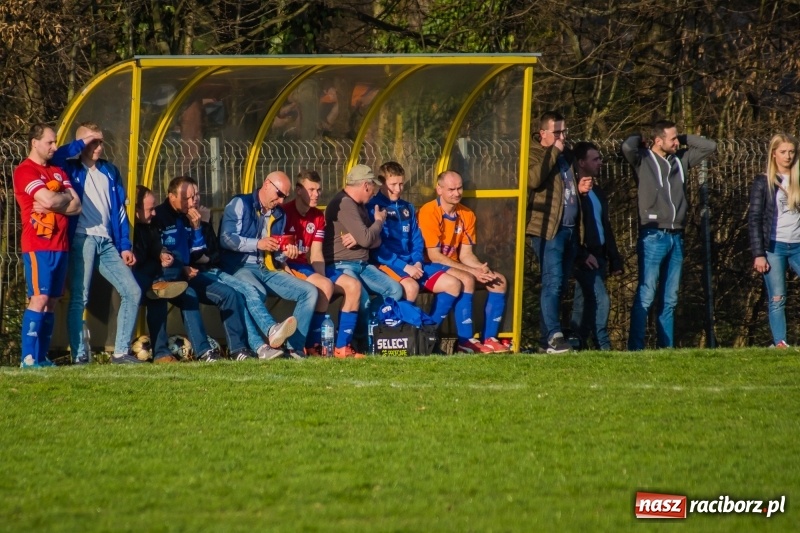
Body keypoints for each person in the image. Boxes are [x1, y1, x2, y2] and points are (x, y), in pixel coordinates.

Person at [52, 122, 156, 364]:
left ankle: (120, 352)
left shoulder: (109, 171)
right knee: (81, 297)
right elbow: (56, 156)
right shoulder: (70, 168)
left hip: (107, 242)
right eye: (92, 142)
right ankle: (78, 356)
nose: (98, 147)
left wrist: (125, 246)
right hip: (82, 238)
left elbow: (119, 211)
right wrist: (80, 143)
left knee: (132, 291)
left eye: (100, 142)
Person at [623, 120, 717, 350]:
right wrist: (641, 137)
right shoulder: (643, 159)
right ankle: (636, 348)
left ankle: (666, 348)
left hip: (677, 236)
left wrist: (682, 138)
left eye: (677, 138)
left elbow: (710, 147)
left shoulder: (680, 160)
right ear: (658, 141)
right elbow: (627, 146)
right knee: (646, 295)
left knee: (670, 298)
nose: (676, 142)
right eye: (672, 138)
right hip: (654, 235)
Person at [154, 176, 256, 361]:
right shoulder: (159, 216)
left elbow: (197, 254)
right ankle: (203, 351)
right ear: (171, 196)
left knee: (230, 294)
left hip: (189, 274)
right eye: (187, 198)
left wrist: (197, 228)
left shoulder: (190, 217)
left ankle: (238, 349)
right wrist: (181, 267)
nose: (193, 202)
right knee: (190, 296)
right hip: (167, 277)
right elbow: (158, 252)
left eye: (195, 196)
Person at [220, 171, 318, 357]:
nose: (281, 201)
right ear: (267, 184)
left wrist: (286, 253)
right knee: (256, 292)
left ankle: (294, 349)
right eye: (279, 194)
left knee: (310, 291)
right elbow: (226, 239)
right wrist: (258, 243)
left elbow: (277, 251)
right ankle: (260, 344)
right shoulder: (240, 203)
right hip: (240, 267)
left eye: (285, 196)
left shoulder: (279, 213)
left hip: (268, 268)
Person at [365, 162, 466, 330]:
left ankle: (428, 332)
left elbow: (417, 240)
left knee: (453, 285)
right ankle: (395, 334)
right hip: (387, 264)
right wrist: (405, 267)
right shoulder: (374, 207)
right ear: (381, 183)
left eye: (401, 184)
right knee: (410, 288)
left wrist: (417, 262)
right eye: (393, 185)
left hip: (412, 264)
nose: (398, 189)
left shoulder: (407, 207)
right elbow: (377, 249)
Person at [418, 170, 509, 354]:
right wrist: (471, 272)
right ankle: (465, 341)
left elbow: (466, 254)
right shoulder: (429, 211)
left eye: (460, 188)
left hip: (451, 265)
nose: (457, 193)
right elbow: (434, 255)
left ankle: (490, 339)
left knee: (499, 281)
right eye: (451, 189)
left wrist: (480, 269)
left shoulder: (467, 214)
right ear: (439, 189)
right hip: (427, 265)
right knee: (467, 279)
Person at [13, 124, 81, 368]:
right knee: (39, 298)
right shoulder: (25, 171)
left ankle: (42, 357)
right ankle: (28, 359)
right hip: (38, 245)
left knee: (51, 301)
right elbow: (52, 199)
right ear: (34, 142)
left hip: (60, 245)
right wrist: (61, 200)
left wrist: (57, 201)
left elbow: (77, 205)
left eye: (55, 142)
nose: (54, 147)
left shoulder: (58, 171)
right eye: (49, 142)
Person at [322, 164, 404, 357]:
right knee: (363, 299)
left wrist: (364, 236)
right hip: (341, 264)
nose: (373, 192)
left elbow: (375, 241)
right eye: (373, 187)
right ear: (366, 186)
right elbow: (368, 238)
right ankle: (358, 342)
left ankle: (369, 331)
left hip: (362, 263)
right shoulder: (344, 203)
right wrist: (378, 222)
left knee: (395, 290)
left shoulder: (360, 205)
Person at [281, 170, 362, 355]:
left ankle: (342, 347)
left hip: (307, 267)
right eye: (311, 189)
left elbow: (316, 253)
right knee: (325, 285)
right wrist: (324, 283)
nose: (316, 194)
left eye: (318, 190)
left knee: (353, 286)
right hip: (291, 267)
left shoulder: (318, 217)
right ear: (298, 190)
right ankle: (312, 345)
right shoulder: (284, 212)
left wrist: (323, 278)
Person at [133, 185, 210, 363]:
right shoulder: (127, 228)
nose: (153, 214)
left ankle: (204, 351)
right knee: (158, 295)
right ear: (135, 211)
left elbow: (156, 245)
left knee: (185, 289)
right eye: (149, 209)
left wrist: (162, 253)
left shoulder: (150, 224)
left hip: (159, 275)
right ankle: (160, 353)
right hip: (137, 276)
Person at [526, 111, 581, 354]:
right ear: (543, 133)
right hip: (547, 228)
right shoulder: (533, 153)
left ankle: (547, 337)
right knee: (552, 282)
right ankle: (553, 335)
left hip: (569, 228)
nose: (562, 137)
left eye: (564, 131)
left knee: (560, 284)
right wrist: (554, 151)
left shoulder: (566, 156)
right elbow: (533, 180)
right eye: (557, 132)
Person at [568, 142, 623, 350]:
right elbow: (571, 227)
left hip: (599, 256)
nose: (600, 162)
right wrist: (582, 254)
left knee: (583, 303)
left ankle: (578, 342)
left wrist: (614, 258)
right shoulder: (572, 192)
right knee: (601, 300)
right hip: (585, 257)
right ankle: (603, 344)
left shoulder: (598, 192)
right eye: (595, 159)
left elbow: (605, 227)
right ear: (581, 163)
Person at [748, 134, 800, 348]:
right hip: (774, 247)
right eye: (783, 152)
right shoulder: (763, 182)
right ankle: (780, 342)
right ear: (773, 154)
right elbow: (755, 218)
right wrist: (759, 253)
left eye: (791, 152)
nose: (788, 156)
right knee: (777, 297)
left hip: (798, 244)